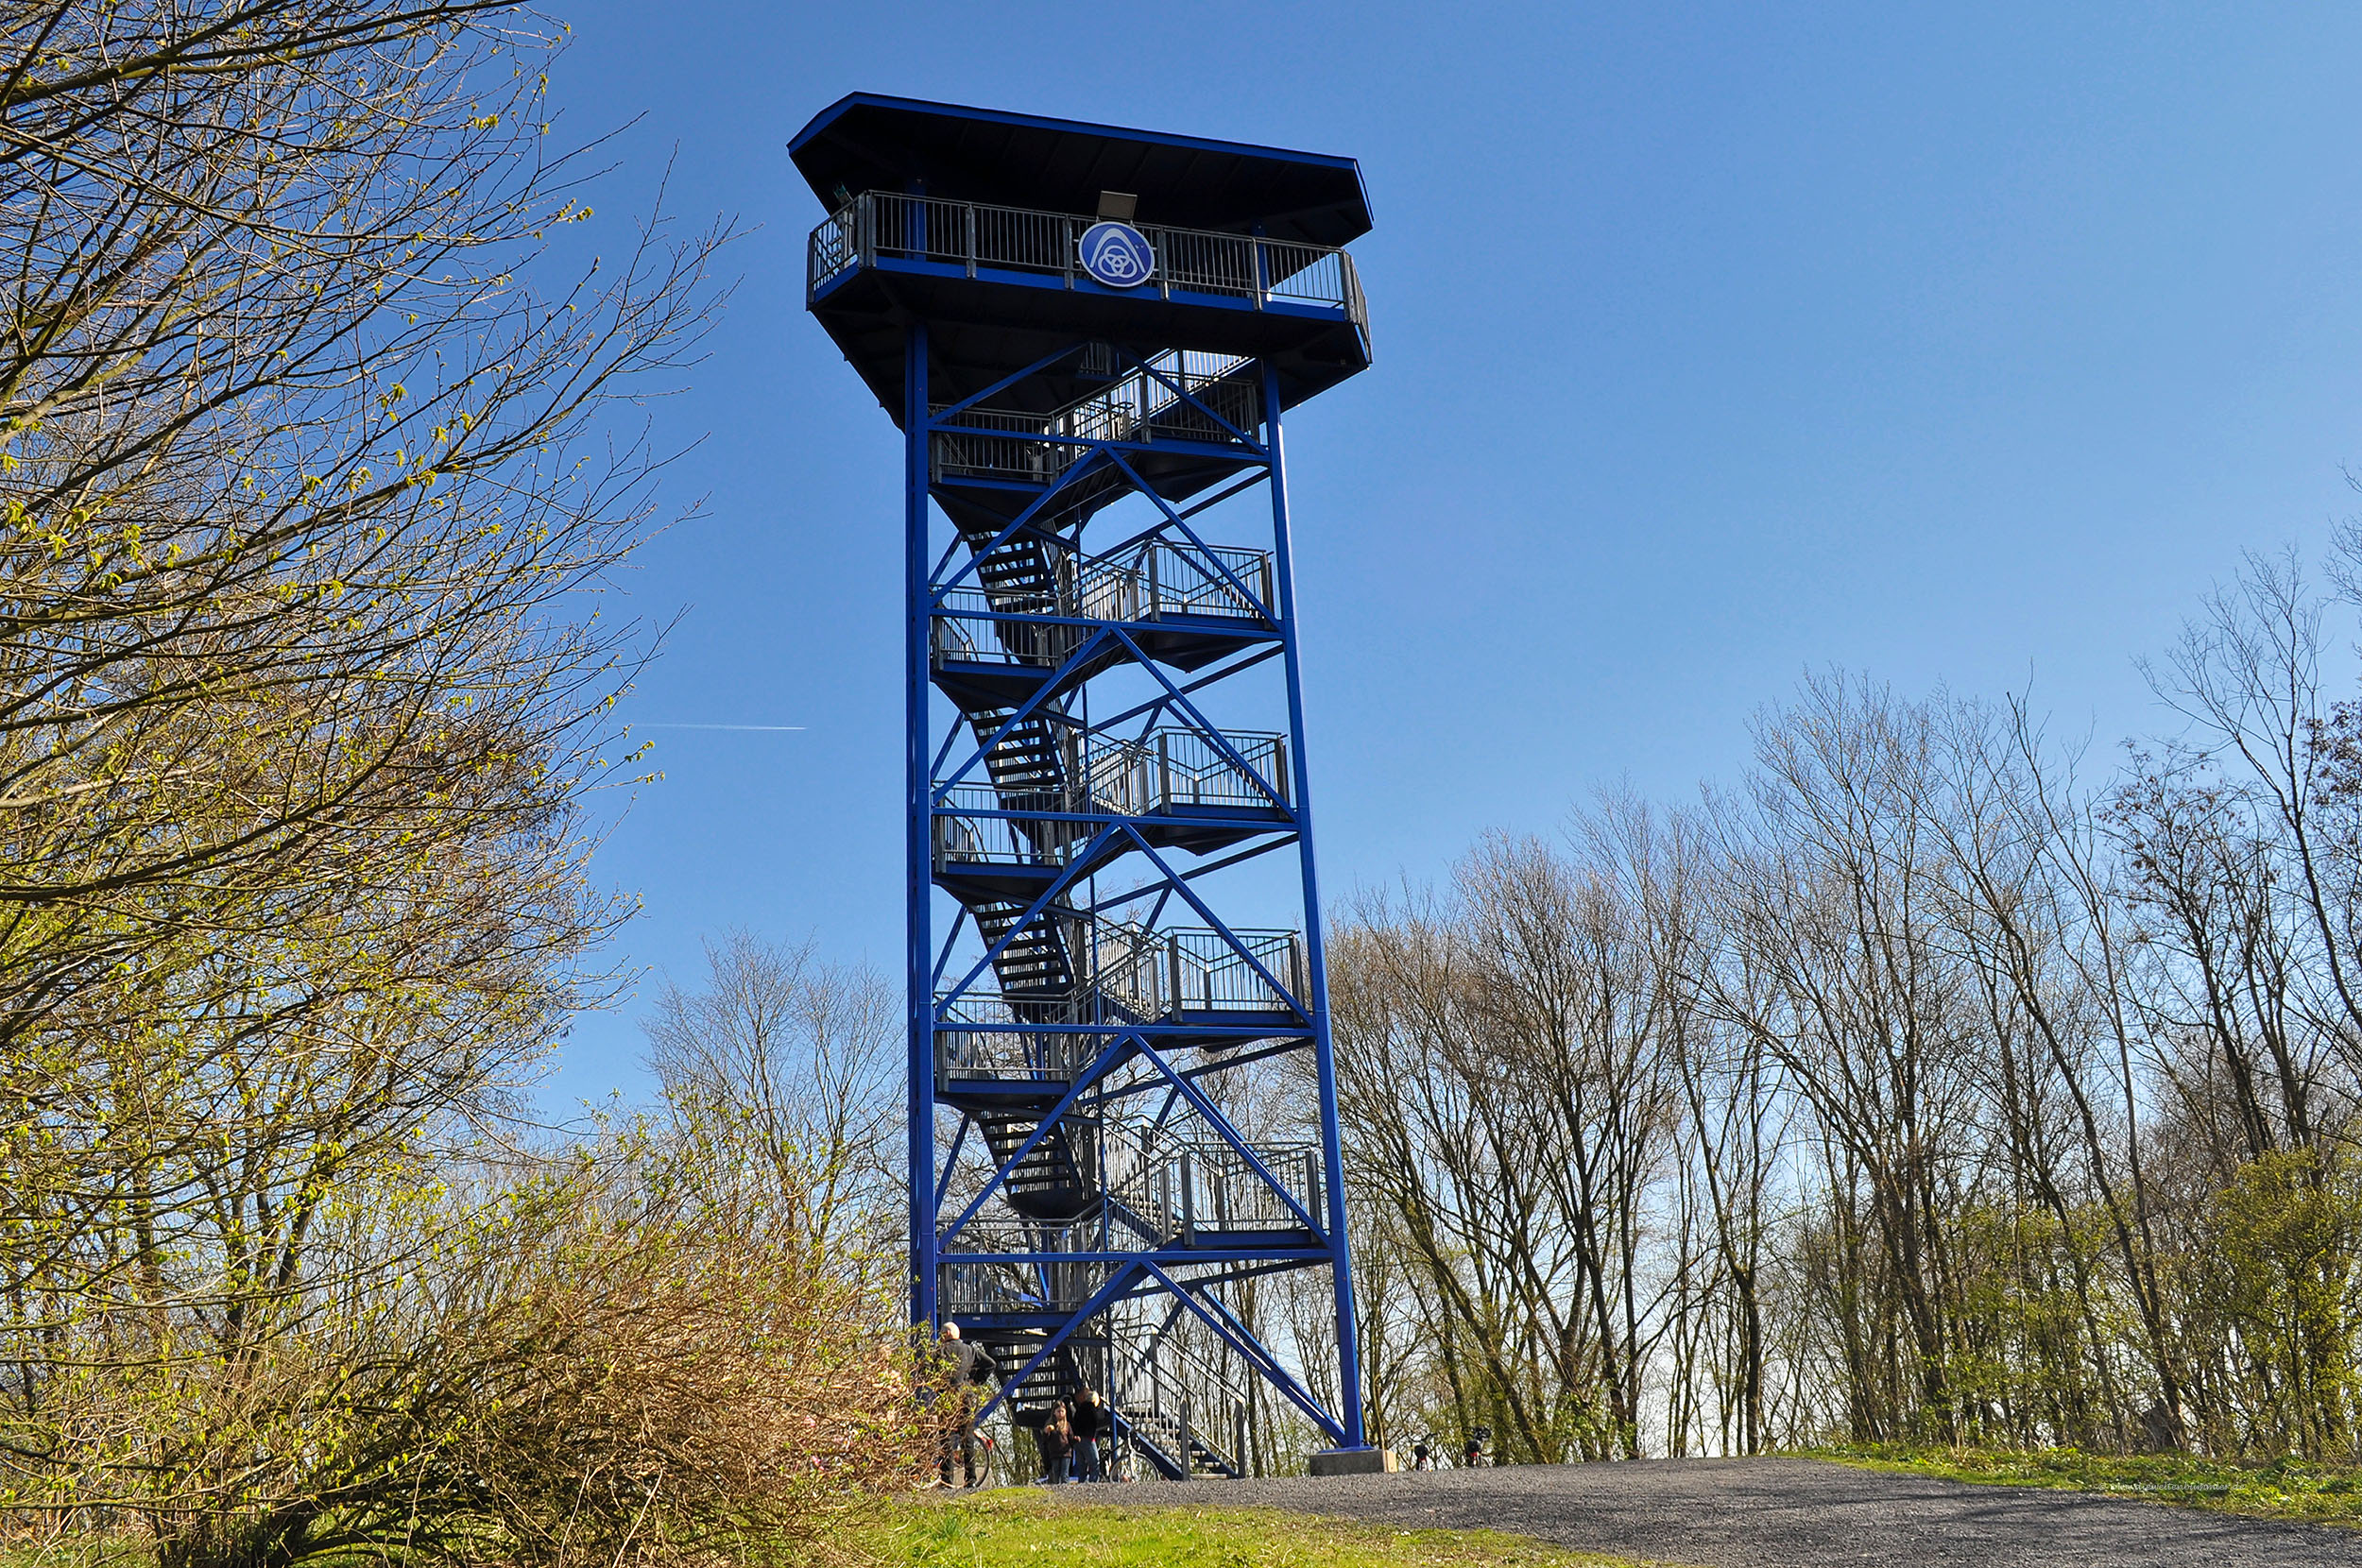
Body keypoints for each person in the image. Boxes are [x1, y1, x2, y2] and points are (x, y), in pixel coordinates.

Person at [935, 1322, 996, 1488]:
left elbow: (926, 1369)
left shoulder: (940, 1351)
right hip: (965, 1396)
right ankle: (971, 1479)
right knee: (967, 1436)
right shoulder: (969, 1350)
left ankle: (947, 1479)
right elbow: (990, 1364)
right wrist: (975, 1381)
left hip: (946, 1397)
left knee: (946, 1438)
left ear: (947, 1334)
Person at [1070, 1387, 1111, 1481]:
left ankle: (1082, 1484)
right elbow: (1094, 1425)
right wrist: (1106, 1432)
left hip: (1077, 1440)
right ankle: (1093, 1483)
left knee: (1081, 1466)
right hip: (1088, 1439)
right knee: (1094, 1463)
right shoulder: (1091, 1410)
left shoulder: (1079, 1409)